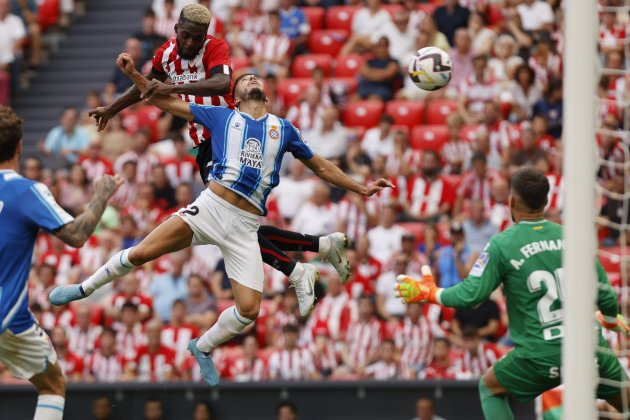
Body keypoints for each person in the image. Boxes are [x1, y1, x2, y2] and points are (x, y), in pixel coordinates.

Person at [52, 61, 393, 386]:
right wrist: (135, 76)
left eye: (257, 78)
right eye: (246, 79)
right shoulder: (221, 117)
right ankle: (84, 289)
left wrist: (361, 188)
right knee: (141, 254)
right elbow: (162, 99)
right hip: (211, 209)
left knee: (249, 310)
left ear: (268, 95)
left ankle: (201, 347)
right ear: (237, 96)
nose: (253, 79)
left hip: (244, 225)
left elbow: (320, 166)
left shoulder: (283, 128)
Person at [88, 2, 352, 290]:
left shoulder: (216, 47)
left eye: (197, 37)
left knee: (230, 224)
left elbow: (221, 83)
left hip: (228, 136)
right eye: (186, 35)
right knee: (236, 226)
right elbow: (149, 86)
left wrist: (173, 88)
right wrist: (112, 109)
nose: (190, 42)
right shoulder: (165, 54)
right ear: (176, 29)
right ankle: (322, 248)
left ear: (205, 35)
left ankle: (300, 268)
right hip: (202, 146)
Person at [396, 167, 630, 419]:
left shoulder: (503, 244)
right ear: (547, 201)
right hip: (590, 350)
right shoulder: (572, 236)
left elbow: (471, 295)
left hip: (540, 357)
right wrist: (608, 318)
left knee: (489, 387)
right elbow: (605, 293)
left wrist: (430, 293)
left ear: (511, 201)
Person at [0, 106, 122, 420]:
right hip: (6, 316)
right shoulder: (27, 190)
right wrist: (101, 195)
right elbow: (77, 235)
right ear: (20, 146)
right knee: (52, 384)